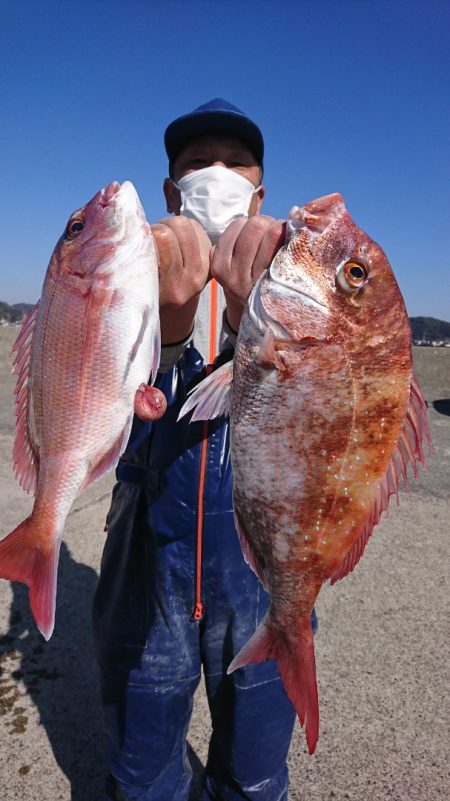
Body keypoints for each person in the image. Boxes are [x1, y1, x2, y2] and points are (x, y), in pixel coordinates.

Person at [93, 98, 318, 801]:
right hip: (148, 560)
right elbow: (103, 422)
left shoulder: (297, 287)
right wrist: (171, 328)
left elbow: (324, 429)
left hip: (256, 566)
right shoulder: (127, 268)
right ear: (170, 190)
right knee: (141, 770)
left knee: (253, 773)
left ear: (260, 190)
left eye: (233, 162)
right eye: (196, 163)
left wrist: (266, 327)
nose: (214, 174)